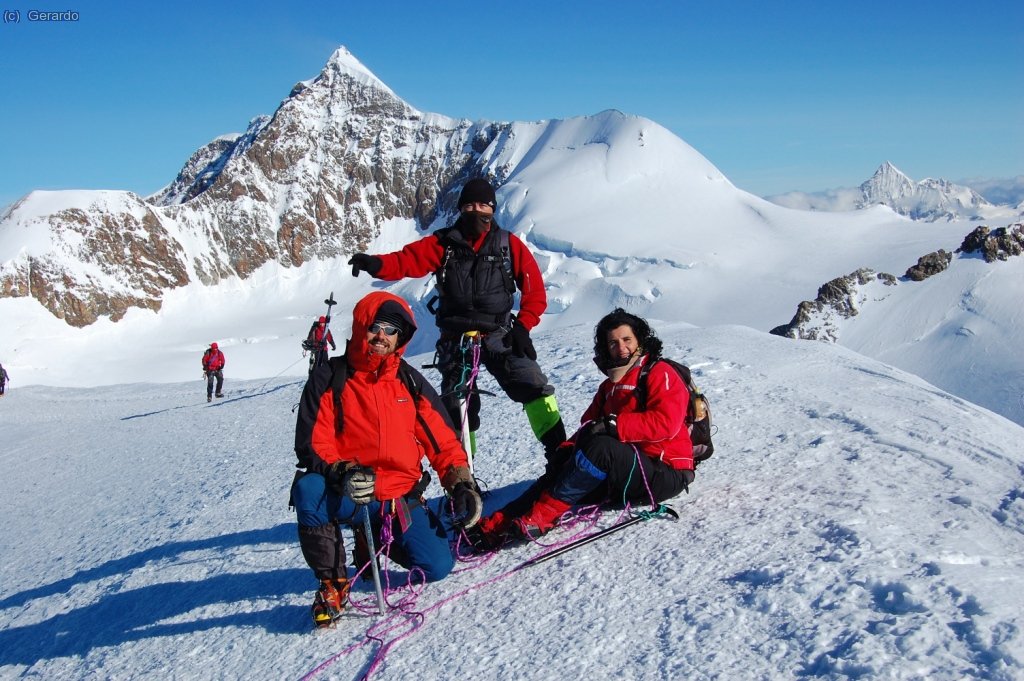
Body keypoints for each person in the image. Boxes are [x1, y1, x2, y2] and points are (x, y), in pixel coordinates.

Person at [291, 291, 482, 628]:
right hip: (349, 491)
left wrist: (460, 482)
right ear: (361, 327)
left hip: (397, 497)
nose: (382, 336)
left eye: (392, 330)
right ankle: (333, 583)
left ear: (400, 338)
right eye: (376, 327)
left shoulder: (409, 380)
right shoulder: (330, 376)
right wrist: (342, 471)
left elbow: (441, 439)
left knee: (437, 566)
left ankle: (375, 539)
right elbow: (312, 443)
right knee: (309, 489)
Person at [347, 178, 566, 461]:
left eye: (483, 205)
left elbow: (534, 291)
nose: (477, 211)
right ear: (461, 208)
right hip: (455, 338)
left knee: (533, 384)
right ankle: (464, 472)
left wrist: (523, 327)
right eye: (470, 205)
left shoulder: (507, 245)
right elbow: (406, 261)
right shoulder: (444, 244)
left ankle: (560, 455)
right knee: (457, 407)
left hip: (499, 332)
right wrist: (376, 264)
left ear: (492, 209)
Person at [471, 308, 695, 547]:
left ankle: (542, 518)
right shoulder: (609, 386)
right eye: (613, 343)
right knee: (562, 469)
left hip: (665, 472)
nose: (621, 348)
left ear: (640, 340)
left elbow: (666, 423)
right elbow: (589, 425)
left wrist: (613, 425)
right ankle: (495, 525)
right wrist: (566, 449)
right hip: (625, 473)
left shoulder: (659, 372)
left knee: (601, 448)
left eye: (627, 339)